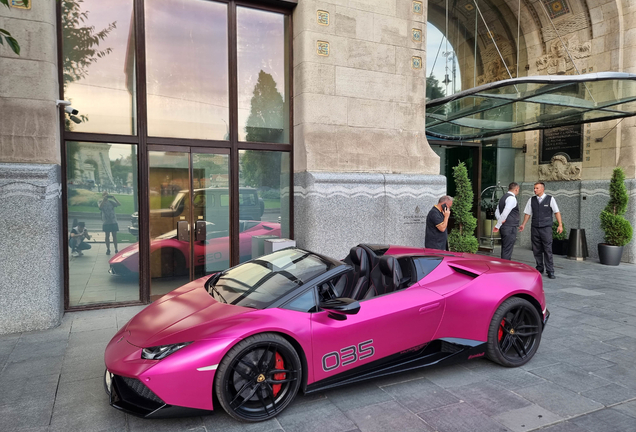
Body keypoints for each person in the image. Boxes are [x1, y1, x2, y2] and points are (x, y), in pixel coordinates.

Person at [519, 182, 563, 279]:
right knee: (536, 249)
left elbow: (557, 212)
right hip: (535, 227)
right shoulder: (531, 200)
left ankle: (550, 270)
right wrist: (523, 224)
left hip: (546, 228)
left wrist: (560, 225)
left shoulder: (550, 199)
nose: (535, 190)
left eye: (537, 188)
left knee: (547, 249)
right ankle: (539, 267)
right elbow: (527, 213)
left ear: (542, 189)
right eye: (534, 188)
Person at [493, 182, 520, 260]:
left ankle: (504, 265)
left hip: (504, 226)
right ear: (516, 189)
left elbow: (497, 211)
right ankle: (505, 267)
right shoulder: (512, 198)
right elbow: (505, 212)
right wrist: (498, 225)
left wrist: (500, 221)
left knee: (505, 247)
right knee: (507, 249)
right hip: (510, 227)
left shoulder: (503, 197)